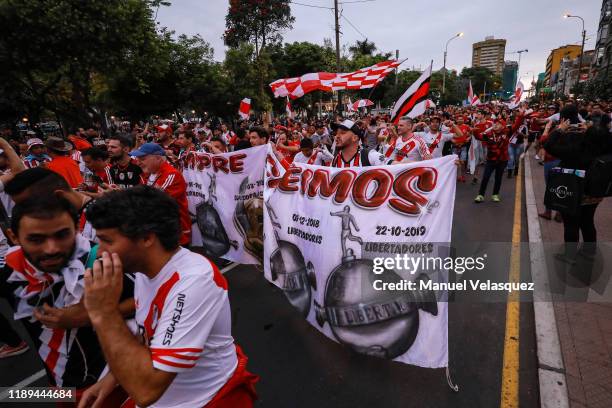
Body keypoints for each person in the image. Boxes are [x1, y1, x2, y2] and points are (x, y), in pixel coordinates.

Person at [80, 186, 259, 408]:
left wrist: (104, 313)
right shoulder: (146, 271)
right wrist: (111, 378)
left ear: (146, 238)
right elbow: (148, 334)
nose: (99, 251)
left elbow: (146, 391)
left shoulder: (193, 281)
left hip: (207, 402)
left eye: (107, 240)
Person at [0, 194, 134, 403]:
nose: (52, 248)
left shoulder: (104, 261)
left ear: (76, 228)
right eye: (36, 239)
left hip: (108, 382)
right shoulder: (9, 269)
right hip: (57, 384)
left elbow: (148, 302)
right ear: (13, 236)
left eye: (62, 235)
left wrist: (87, 316)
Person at [543, 105, 612, 262]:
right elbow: (605, 136)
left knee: (571, 222)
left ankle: (570, 255)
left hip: (576, 188)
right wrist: (590, 129)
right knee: (587, 220)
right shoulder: (599, 139)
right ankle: (589, 252)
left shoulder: (575, 142)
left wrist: (559, 130)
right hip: (596, 189)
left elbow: (549, 146)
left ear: (563, 119)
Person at [130, 143, 191, 246]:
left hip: (175, 236)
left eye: (142, 158)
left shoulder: (172, 175)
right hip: (157, 234)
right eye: (137, 158)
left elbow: (154, 203)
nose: (138, 162)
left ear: (158, 158)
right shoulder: (148, 174)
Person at [473, 109, 525, 203]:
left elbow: (517, 125)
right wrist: (475, 132)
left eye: (498, 124)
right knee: (485, 177)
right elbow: (478, 137)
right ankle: (481, 195)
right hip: (490, 160)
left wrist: (520, 116)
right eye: (495, 123)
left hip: (502, 160)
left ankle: (495, 194)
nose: (495, 125)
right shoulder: (488, 134)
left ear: (503, 126)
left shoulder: (507, 132)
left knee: (498, 178)